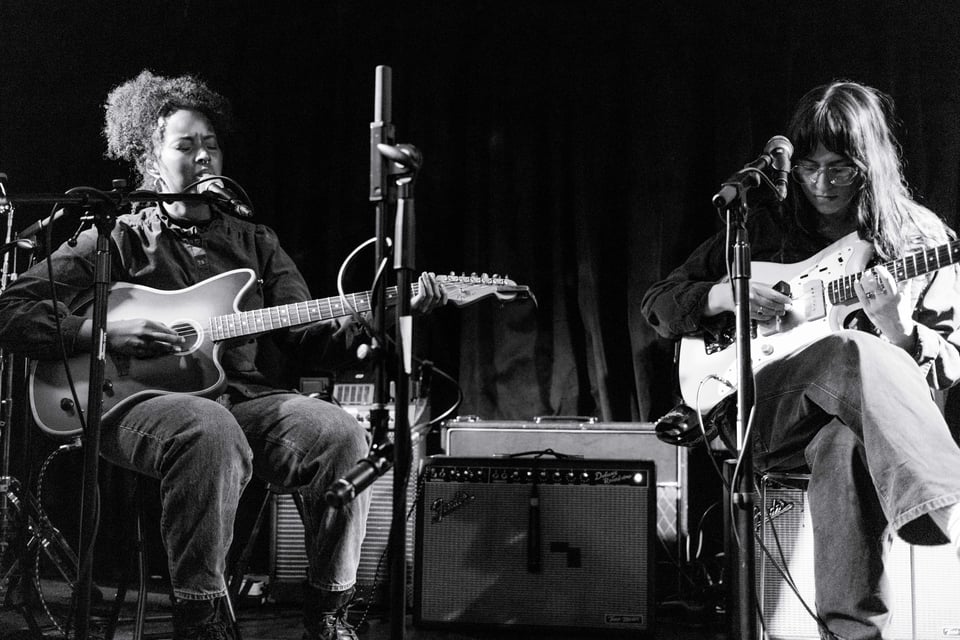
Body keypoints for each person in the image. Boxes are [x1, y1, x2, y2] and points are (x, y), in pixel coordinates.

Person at [0, 70, 447, 640]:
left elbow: (308, 334)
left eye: (211, 144)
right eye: (186, 146)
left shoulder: (254, 240)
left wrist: (380, 314)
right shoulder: (116, 236)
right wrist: (101, 333)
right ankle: (200, 617)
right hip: (130, 403)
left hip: (242, 399)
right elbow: (12, 308)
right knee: (208, 428)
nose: (204, 157)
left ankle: (328, 612)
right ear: (150, 159)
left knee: (339, 434)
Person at [641, 80, 960, 640]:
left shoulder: (918, 238)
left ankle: (850, 635)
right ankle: (945, 498)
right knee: (851, 349)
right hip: (755, 407)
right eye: (810, 168)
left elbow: (949, 360)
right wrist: (725, 296)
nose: (821, 184)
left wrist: (895, 325)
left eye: (840, 169)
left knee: (845, 445)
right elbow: (658, 305)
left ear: (871, 163)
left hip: (866, 430)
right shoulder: (764, 223)